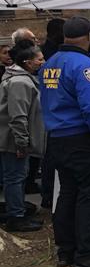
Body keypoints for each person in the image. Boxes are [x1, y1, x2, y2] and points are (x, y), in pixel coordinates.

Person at [38, 17, 90, 267]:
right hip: (84, 138)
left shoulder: (49, 63)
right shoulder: (87, 67)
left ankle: (66, 250)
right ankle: (87, 252)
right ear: (88, 36)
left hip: (58, 138)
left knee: (68, 193)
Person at [0, 44, 46, 232]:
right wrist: (22, 142)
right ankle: (16, 216)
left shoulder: (24, 79)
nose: (43, 62)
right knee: (15, 177)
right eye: (39, 59)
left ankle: (17, 209)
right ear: (28, 62)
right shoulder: (20, 83)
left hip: (15, 139)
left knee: (17, 175)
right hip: (13, 141)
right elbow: (18, 116)